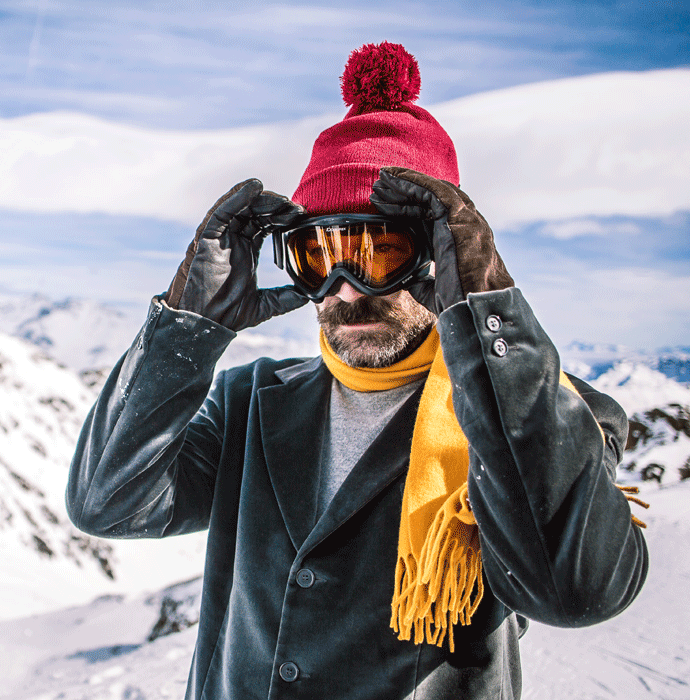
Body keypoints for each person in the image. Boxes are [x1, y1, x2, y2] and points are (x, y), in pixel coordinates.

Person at [66, 42, 648, 700]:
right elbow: (106, 504)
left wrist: (486, 316)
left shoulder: (548, 413)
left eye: (380, 252)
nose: (345, 291)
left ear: (440, 258)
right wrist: (188, 326)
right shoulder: (251, 403)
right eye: (319, 257)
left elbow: (576, 592)